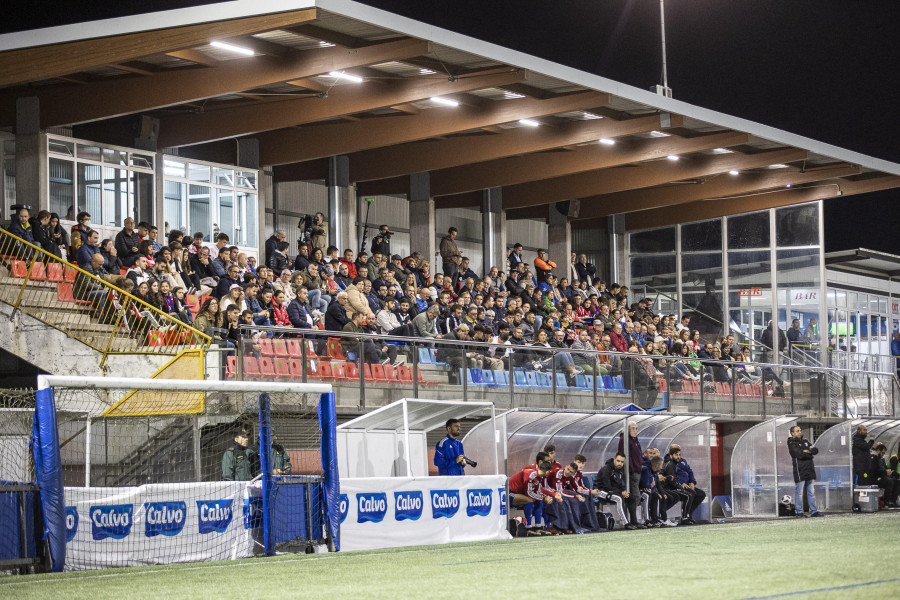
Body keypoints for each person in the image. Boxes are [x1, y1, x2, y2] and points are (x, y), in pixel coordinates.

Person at [594, 453, 640, 530]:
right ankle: (626, 523)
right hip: (600, 491)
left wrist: (623, 491)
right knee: (619, 498)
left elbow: (618, 485)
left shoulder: (620, 470)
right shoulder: (606, 469)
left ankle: (634, 522)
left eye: (622, 462)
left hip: (613, 491)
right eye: (618, 461)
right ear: (614, 459)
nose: (620, 463)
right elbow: (607, 486)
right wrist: (621, 492)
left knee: (632, 498)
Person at [787, 425, 822, 517]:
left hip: (809, 470)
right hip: (800, 470)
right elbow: (799, 455)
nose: (800, 432)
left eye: (800, 430)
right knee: (799, 492)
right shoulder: (791, 443)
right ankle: (799, 512)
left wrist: (807, 452)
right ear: (792, 433)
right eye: (797, 431)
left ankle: (814, 511)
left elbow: (815, 450)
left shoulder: (806, 441)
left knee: (811, 492)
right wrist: (808, 452)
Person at [618, 422, 643, 504]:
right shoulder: (624, 439)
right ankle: (632, 516)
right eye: (633, 428)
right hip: (632, 472)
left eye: (636, 428)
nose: (635, 430)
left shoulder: (635, 440)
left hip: (637, 471)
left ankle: (633, 515)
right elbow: (625, 455)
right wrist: (631, 470)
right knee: (635, 496)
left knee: (636, 496)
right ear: (627, 429)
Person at [869, 443, 898, 508]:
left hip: (880, 476)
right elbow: (874, 471)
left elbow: (882, 468)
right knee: (889, 481)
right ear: (878, 450)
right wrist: (885, 472)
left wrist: (888, 471)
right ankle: (885, 502)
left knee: (896, 482)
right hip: (874, 478)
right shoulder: (872, 457)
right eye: (882, 453)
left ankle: (892, 501)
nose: (883, 455)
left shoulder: (880, 458)